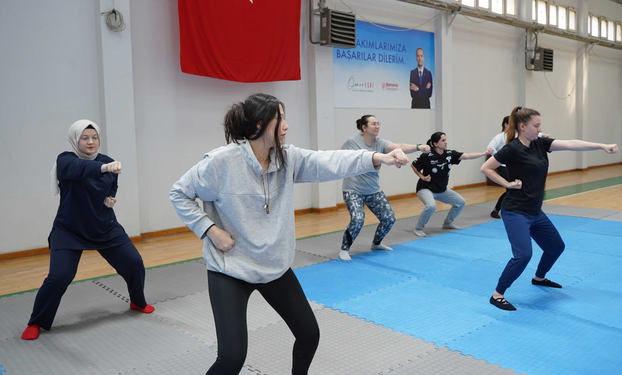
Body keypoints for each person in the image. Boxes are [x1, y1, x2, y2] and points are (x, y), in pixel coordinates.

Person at [169, 93, 408, 375]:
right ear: (259, 124)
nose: (286, 125)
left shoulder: (287, 158)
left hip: (274, 265)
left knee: (309, 334)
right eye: (280, 117)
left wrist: (378, 157)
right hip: (230, 269)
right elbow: (179, 193)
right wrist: (210, 230)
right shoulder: (221, 163)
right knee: (231, 358)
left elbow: (329, 161)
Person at [21, 120, 153, 341]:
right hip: (69, 230)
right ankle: (36, 322)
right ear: (75, 139)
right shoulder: (66, 160)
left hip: (104, 227)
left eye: (94, 137)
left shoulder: (109, 162)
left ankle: (137, 301)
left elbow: (112, 185)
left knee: (134, 263)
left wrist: (111, 198)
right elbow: (80, 169)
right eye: (85, 138)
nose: (91, 142)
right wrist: (104, 168)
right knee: (59, 276)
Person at [481, 106, 618, 311]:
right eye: (536, 126)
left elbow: (571, 144)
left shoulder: (540, 143)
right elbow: (486, 168)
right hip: (515, 211)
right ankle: (497, 294)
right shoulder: (512, 149)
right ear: (522, 126)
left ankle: (539, 277)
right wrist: (507, 184)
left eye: (539, 125)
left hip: (535, 212)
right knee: (523, 255)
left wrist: (601, 145)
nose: (539, 129)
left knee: (556, 247)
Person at [339, 115, 430, 261]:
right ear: (364, 127)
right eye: (373, 124)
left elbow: (399, 147)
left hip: (373, 190)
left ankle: (376, 243)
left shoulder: (380, 143)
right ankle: (344, 249)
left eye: (378, 123)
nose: (377, 126)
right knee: (357, 219)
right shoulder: (352, 142)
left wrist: (419, 147)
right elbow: (338, 156)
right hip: (353, 190)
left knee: (389, 218)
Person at [411, 132, 493, 237]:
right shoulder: (427, 155)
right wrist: (422, 176)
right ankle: (418, 228)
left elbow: (467, 156)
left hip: (441, 189)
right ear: (435, 144)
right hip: (425, 188)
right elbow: (413, 165)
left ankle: (448, 223)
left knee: (460, 202)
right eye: (443, 140)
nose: (446, 142)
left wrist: (484, 153)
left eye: (446, 139)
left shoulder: (449, 154)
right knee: (431, 206)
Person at [487, 116, 510, 218]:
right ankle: (496, 210)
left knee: (515, 189)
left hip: (513, 166)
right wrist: (498, 156)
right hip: (503, 166)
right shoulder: (500, 136)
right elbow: (490, 147)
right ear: (506, 124)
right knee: (511, 189)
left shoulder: (516, 136)